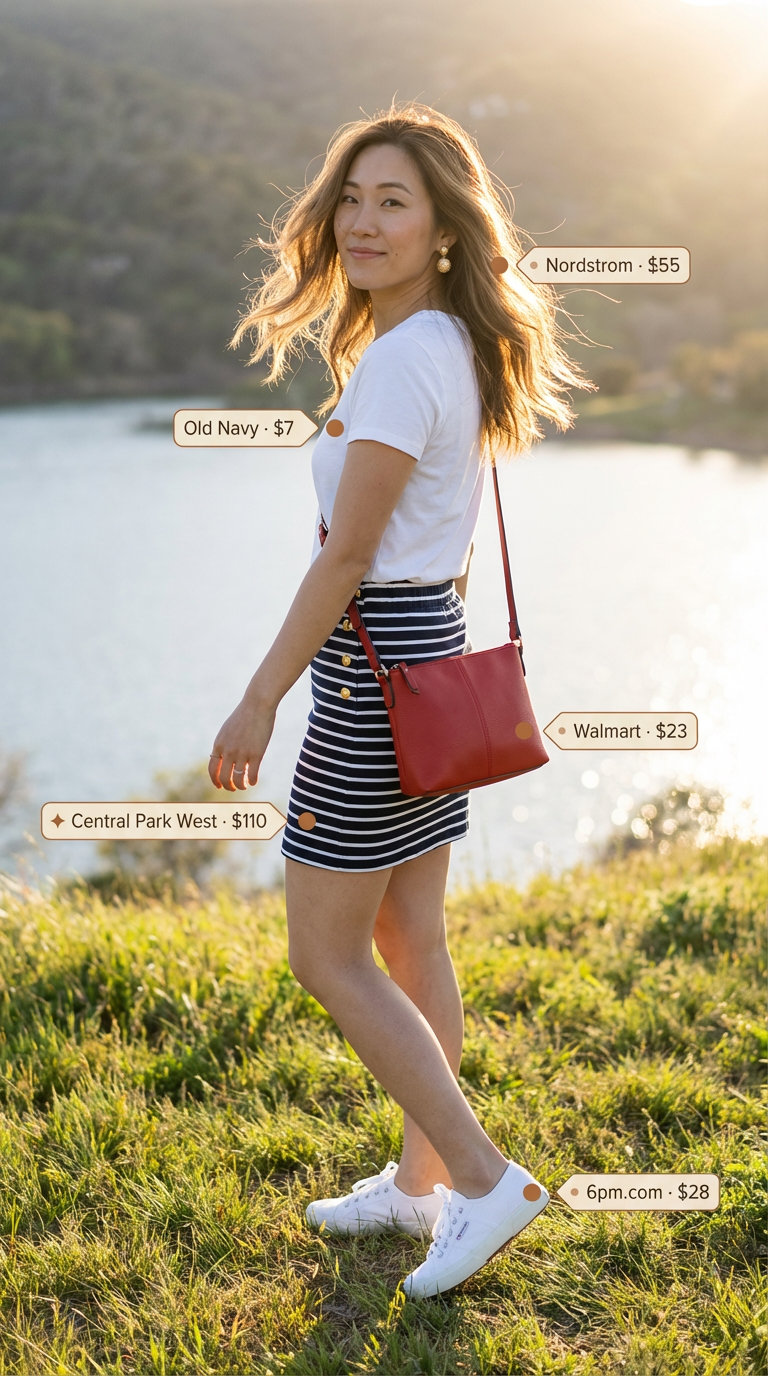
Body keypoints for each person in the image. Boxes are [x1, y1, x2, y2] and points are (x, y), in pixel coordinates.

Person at [208, 100, 594, 1299]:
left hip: (375, 675)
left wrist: (260, 697)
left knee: (327, 953)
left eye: (395, 202)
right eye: (354, 198)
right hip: (430, 655)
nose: (365, 221)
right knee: (406, 930)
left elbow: (343, 557)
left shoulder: (401, 360)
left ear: (441, 232)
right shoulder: (441, 346)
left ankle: (483, 1179)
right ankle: (422, 1179)